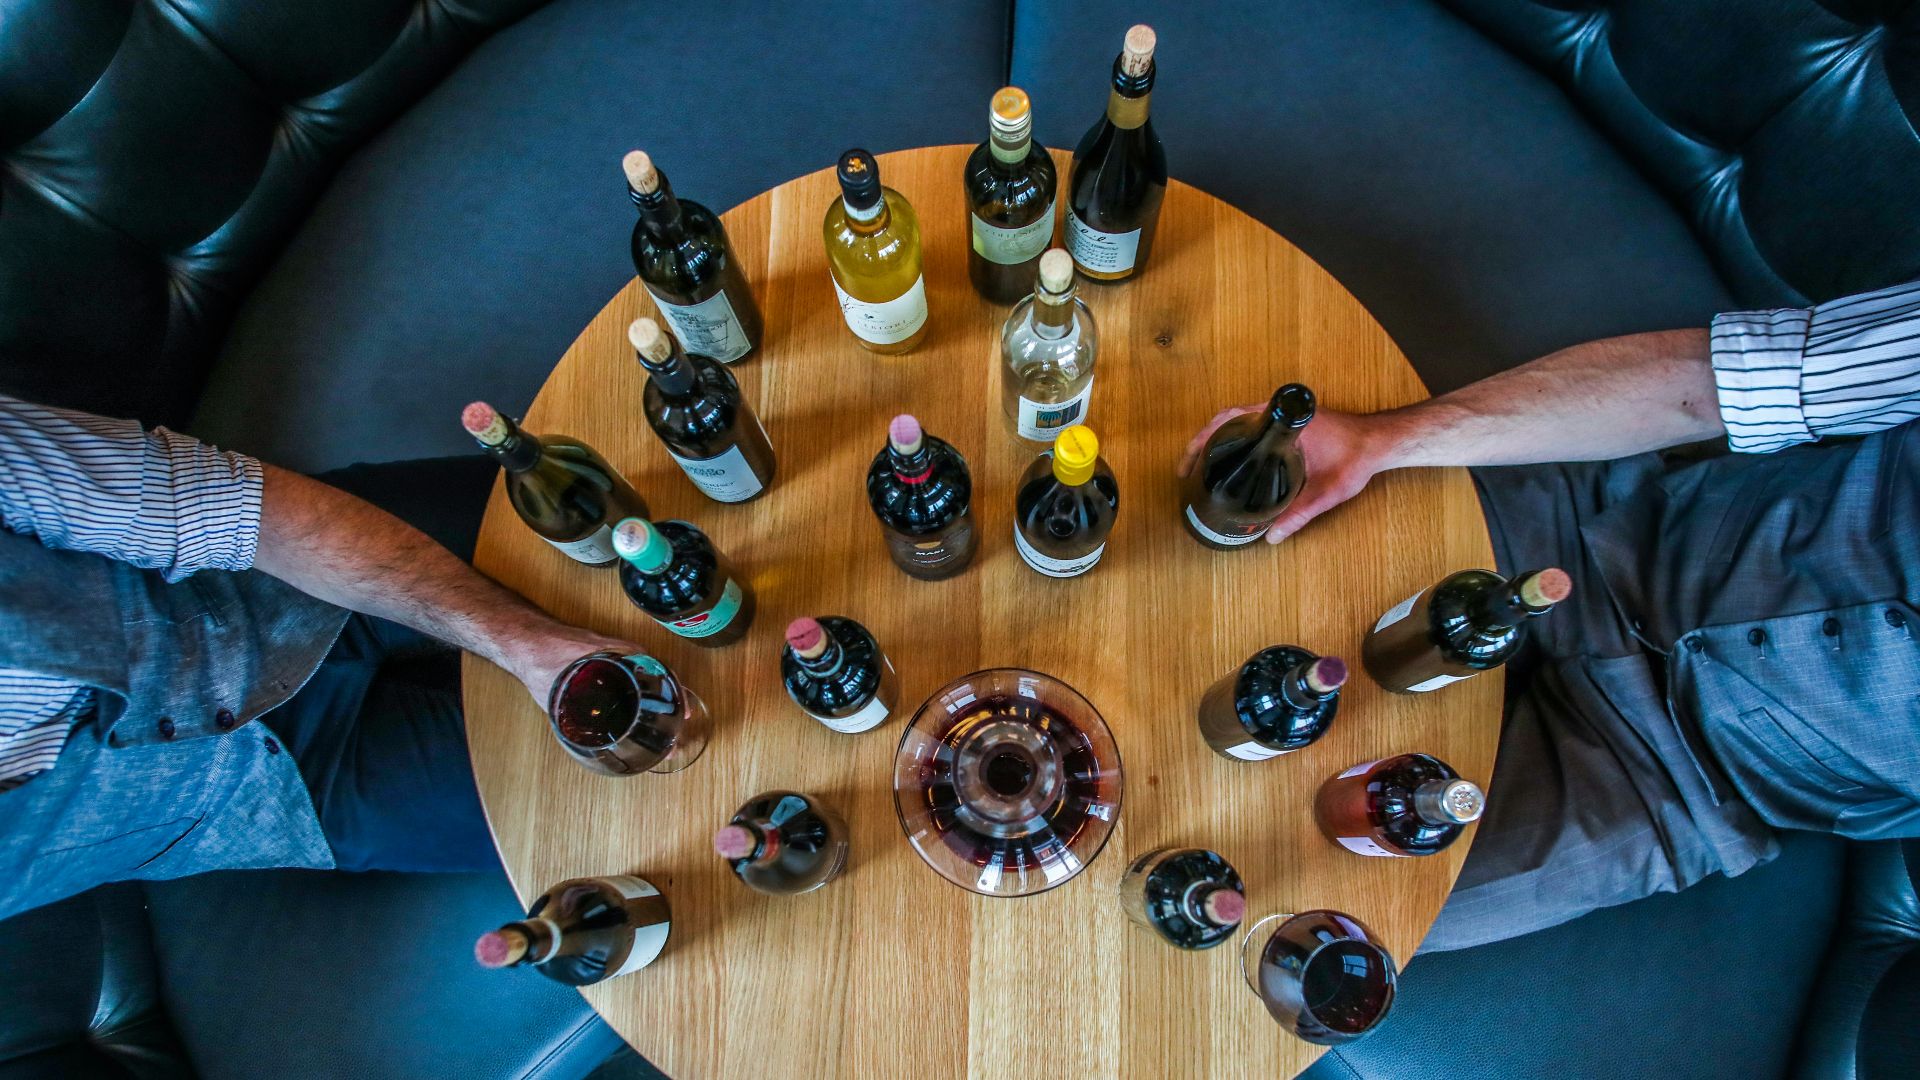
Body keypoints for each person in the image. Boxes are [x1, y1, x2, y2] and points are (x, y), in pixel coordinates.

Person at [1182, 276, 1920, 952]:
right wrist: (1381, 441)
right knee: (1224, 589)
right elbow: (1711, 383)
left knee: (1285, 916)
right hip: (1607, 536)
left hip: (1678, 785)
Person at [0, 395, 641, 919]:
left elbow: (241, 512)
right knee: (642, 797)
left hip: (267, 582)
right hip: (276, 800)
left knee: (626, 541)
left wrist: (523, 640)